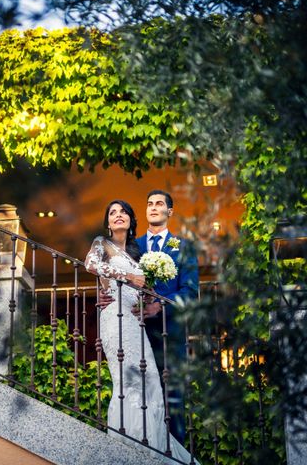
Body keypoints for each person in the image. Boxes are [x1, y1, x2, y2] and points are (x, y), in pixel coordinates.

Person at [85, 199, 197, 463]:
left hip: (137, 325)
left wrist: (151, 301)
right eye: (112, 212)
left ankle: (152, 449)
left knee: (149, 385)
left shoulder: (137, 253)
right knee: (127, 384)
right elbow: (91, 265)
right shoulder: (102, 243)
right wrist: (125, 279)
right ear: (108, 222)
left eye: (123, 211)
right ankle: (128, 450)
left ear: (131, 219)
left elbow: (147, 292)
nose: (118, 215)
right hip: (115, 320)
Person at [137, 189, 199, 443]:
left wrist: (161, 306)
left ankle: (176, 455)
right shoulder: (133, 245)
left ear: (169, 212)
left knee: (173, 398)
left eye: (159, 203)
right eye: (149, 203)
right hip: (137, 332)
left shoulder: (183, 246)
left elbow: (191, 292)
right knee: (140, 395)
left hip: (171, 333)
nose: (153, 207)